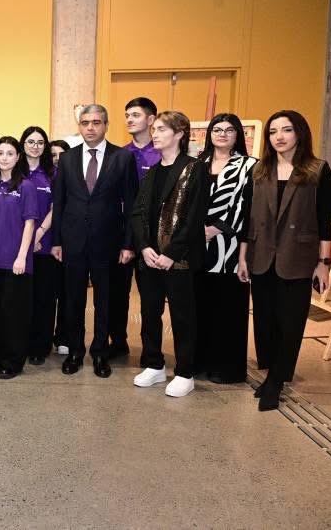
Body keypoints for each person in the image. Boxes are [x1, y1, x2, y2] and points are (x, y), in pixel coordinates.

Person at [239, 110, 331, 412]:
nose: (278, 137)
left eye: (286, 130)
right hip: (261, 255)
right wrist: (243, 257)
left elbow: (325, 220)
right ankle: (273, 372)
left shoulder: (317, 170)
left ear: (299, 133)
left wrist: (324, 262)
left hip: (298, 256)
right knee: (265, 321)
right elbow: (247, 218)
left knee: (290, 322)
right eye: (273, 131)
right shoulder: (259, 170)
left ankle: (276, 381)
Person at [50, 104, 138, 379]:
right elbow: (59, 202)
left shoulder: (122, 158)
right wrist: (56, 241)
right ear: (80, 126)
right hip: (73, 242)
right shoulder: (67, 159)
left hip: (108, 242)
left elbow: (131, 204)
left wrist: (128, 244)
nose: (90, 128)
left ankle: (100, 352)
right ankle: (75, 351)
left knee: (104, 301)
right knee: (73, 299)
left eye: (96, 122)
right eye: (85, 123)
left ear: (106, 125)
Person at [130, 111, 206, 398]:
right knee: (150, 312)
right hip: (150, 257)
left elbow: (194, 217)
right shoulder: (153, 170)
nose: (155, 134)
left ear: (179, 134)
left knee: (182, 316)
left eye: (161, 129)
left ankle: (185, 372)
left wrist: (172, 253)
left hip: (180, 259)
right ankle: (154, 364)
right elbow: (139, 212)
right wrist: (144, 246)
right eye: (155, 130)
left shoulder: (194, 169)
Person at [195, 113, 256, 384]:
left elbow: (247, 205)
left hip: (230, 247)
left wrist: (217, 228)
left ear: (238, 134)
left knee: (227, 310)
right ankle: (199, 363)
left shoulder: (249, 166)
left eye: (229, 130)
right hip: (197, 246)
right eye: (217, 129)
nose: (222, 134)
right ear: (210, 134)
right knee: (199, 306)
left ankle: (226, 369)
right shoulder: (198, 163)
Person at [108, 97, 161, 360]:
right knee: (117, 294)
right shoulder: (119, 155)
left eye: (136, 115)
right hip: (121, 235)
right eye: (127, 115)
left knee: (151, 299)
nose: (129, 119)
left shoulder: (161, 154)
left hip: (152, 237)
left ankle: (151, 351)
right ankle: (118, 342)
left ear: (151, 120)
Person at [0, 137, 38, 379]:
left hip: (16, 261)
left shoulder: (26, 186)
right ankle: (0, 355)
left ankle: (14, 362)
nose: (4, 158)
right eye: (0, 153)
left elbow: (30, 223)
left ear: (18, 157)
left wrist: (21, 257)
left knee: (14, 313)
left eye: (9, 153)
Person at [20, 127, 58, 365]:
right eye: (30, 142)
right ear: (22, 144)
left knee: (43, 298)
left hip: (44, 244)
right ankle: (20, 343)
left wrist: (39, 233)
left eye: (40, 142)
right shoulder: (14, 171)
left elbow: (56, 206)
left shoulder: (53, 173)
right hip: (18, 246)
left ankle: (40, 346)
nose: (35, 146)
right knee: (21, 299)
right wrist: (26, 239)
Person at [47, 139, 71, 355]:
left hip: (66, 242)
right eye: (52, 154)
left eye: (61, 155)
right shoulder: (44, 176)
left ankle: (63, 335)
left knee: (65, 293)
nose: (57, 159)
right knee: (47, 294)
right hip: (45, 243)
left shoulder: (73, 177)